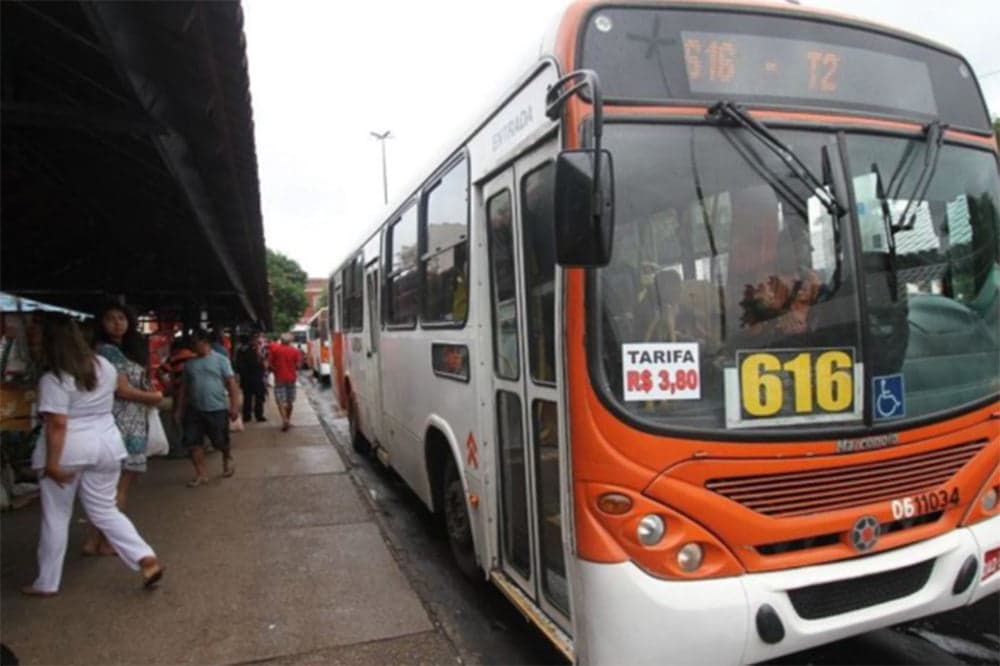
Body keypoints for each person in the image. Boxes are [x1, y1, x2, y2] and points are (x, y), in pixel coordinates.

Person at [22, 314, 163, 596]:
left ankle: (47, 582)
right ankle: (145, 557)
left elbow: (58, 424)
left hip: (68, 449)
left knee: (56, 516)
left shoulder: (55, 379)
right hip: (107, 445)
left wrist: (51, 464)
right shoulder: (106, 367)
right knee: (105, 510)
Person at [87, 303, 163, 556]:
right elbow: (122, 390)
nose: (117, 323)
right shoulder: (107, 352)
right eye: (110, 318)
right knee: (118, 487)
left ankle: (95, 540)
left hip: (121, 420)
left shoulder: (117, 351)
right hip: (124, 422)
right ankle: (108, 541)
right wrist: (153, 398)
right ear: (101, 323)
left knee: (106, 489)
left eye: (121, 318)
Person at [176, 329, 240, 487]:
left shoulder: (221, 360)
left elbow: (231, 383)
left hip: (216, 408)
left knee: (220, 441)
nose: (192, 347)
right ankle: (201, 474)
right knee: (193, 442)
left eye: (195, 343)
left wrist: (234, 405)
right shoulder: (189, 364)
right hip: (194, 409)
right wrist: (179, 409)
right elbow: (184, 389)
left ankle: (227, 457)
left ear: (205, 342)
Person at [268, 333, 300, 432]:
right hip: (291, 378)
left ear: (281, 340)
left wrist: (275, 370)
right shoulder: (295, 351)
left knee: (280, 401)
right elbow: (298, 365)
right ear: (290, 341)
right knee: (290, 401)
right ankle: (288, 420)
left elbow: (270, 364)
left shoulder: (275, 350)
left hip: (279, 378)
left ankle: (284, 419)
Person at [233, 332, 267, 423]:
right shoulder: (250, 350)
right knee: (255, 397)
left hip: (250, 377)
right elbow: (257, 363)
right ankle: (256, 415)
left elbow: (238, 365)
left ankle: (249, 415)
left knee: (250, 397)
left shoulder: (242, 351)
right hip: (253, 376)